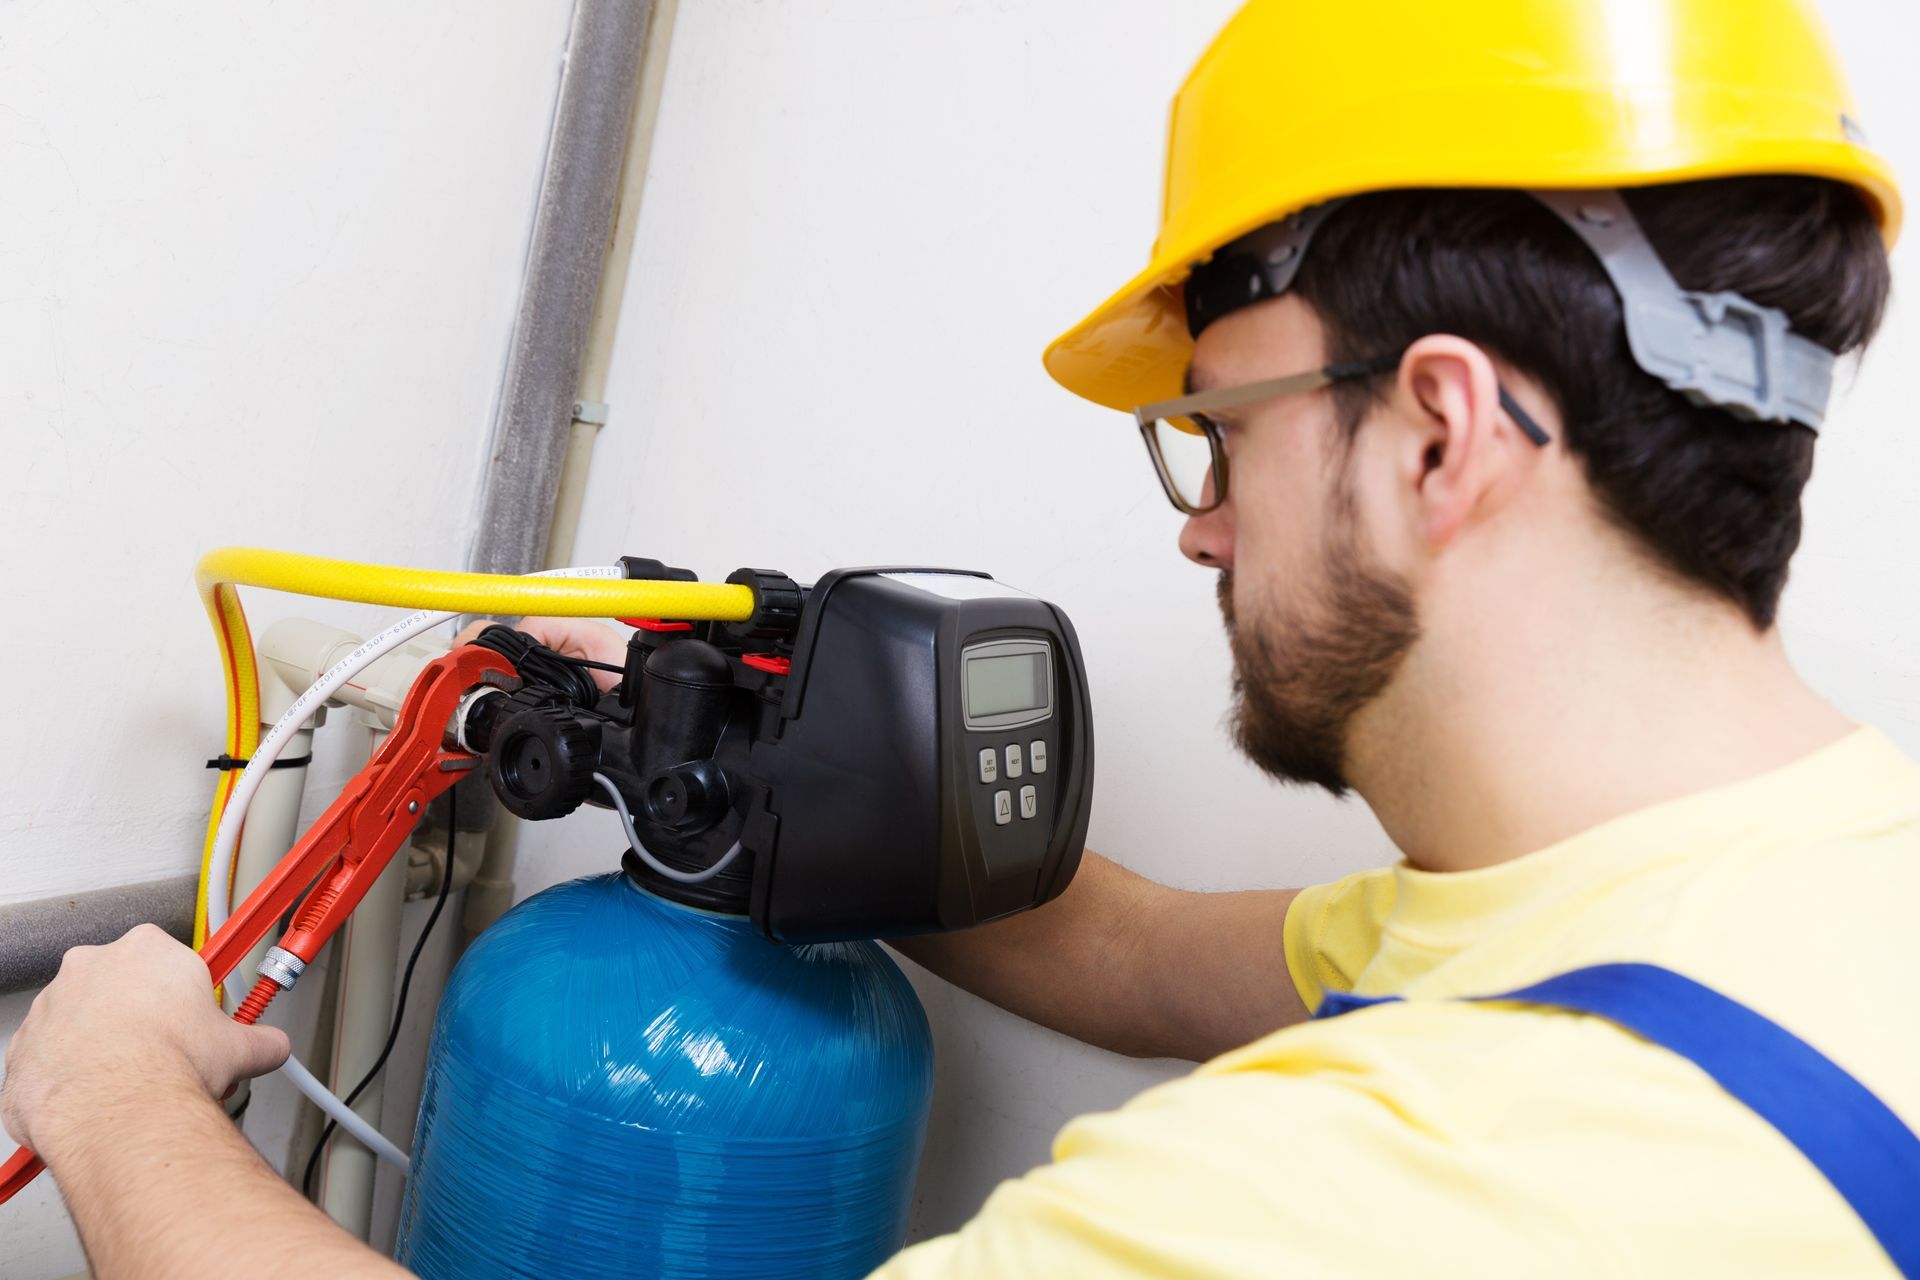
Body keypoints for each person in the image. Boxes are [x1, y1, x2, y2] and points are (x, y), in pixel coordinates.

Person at [5, 0, 1915, 1275]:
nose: (1202, 525)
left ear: (1439, 429)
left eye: (1221, 429)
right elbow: (1155, 958)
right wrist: (769, 751)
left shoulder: (1381, 1197)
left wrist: (113, 1097)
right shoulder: (1783, 884)